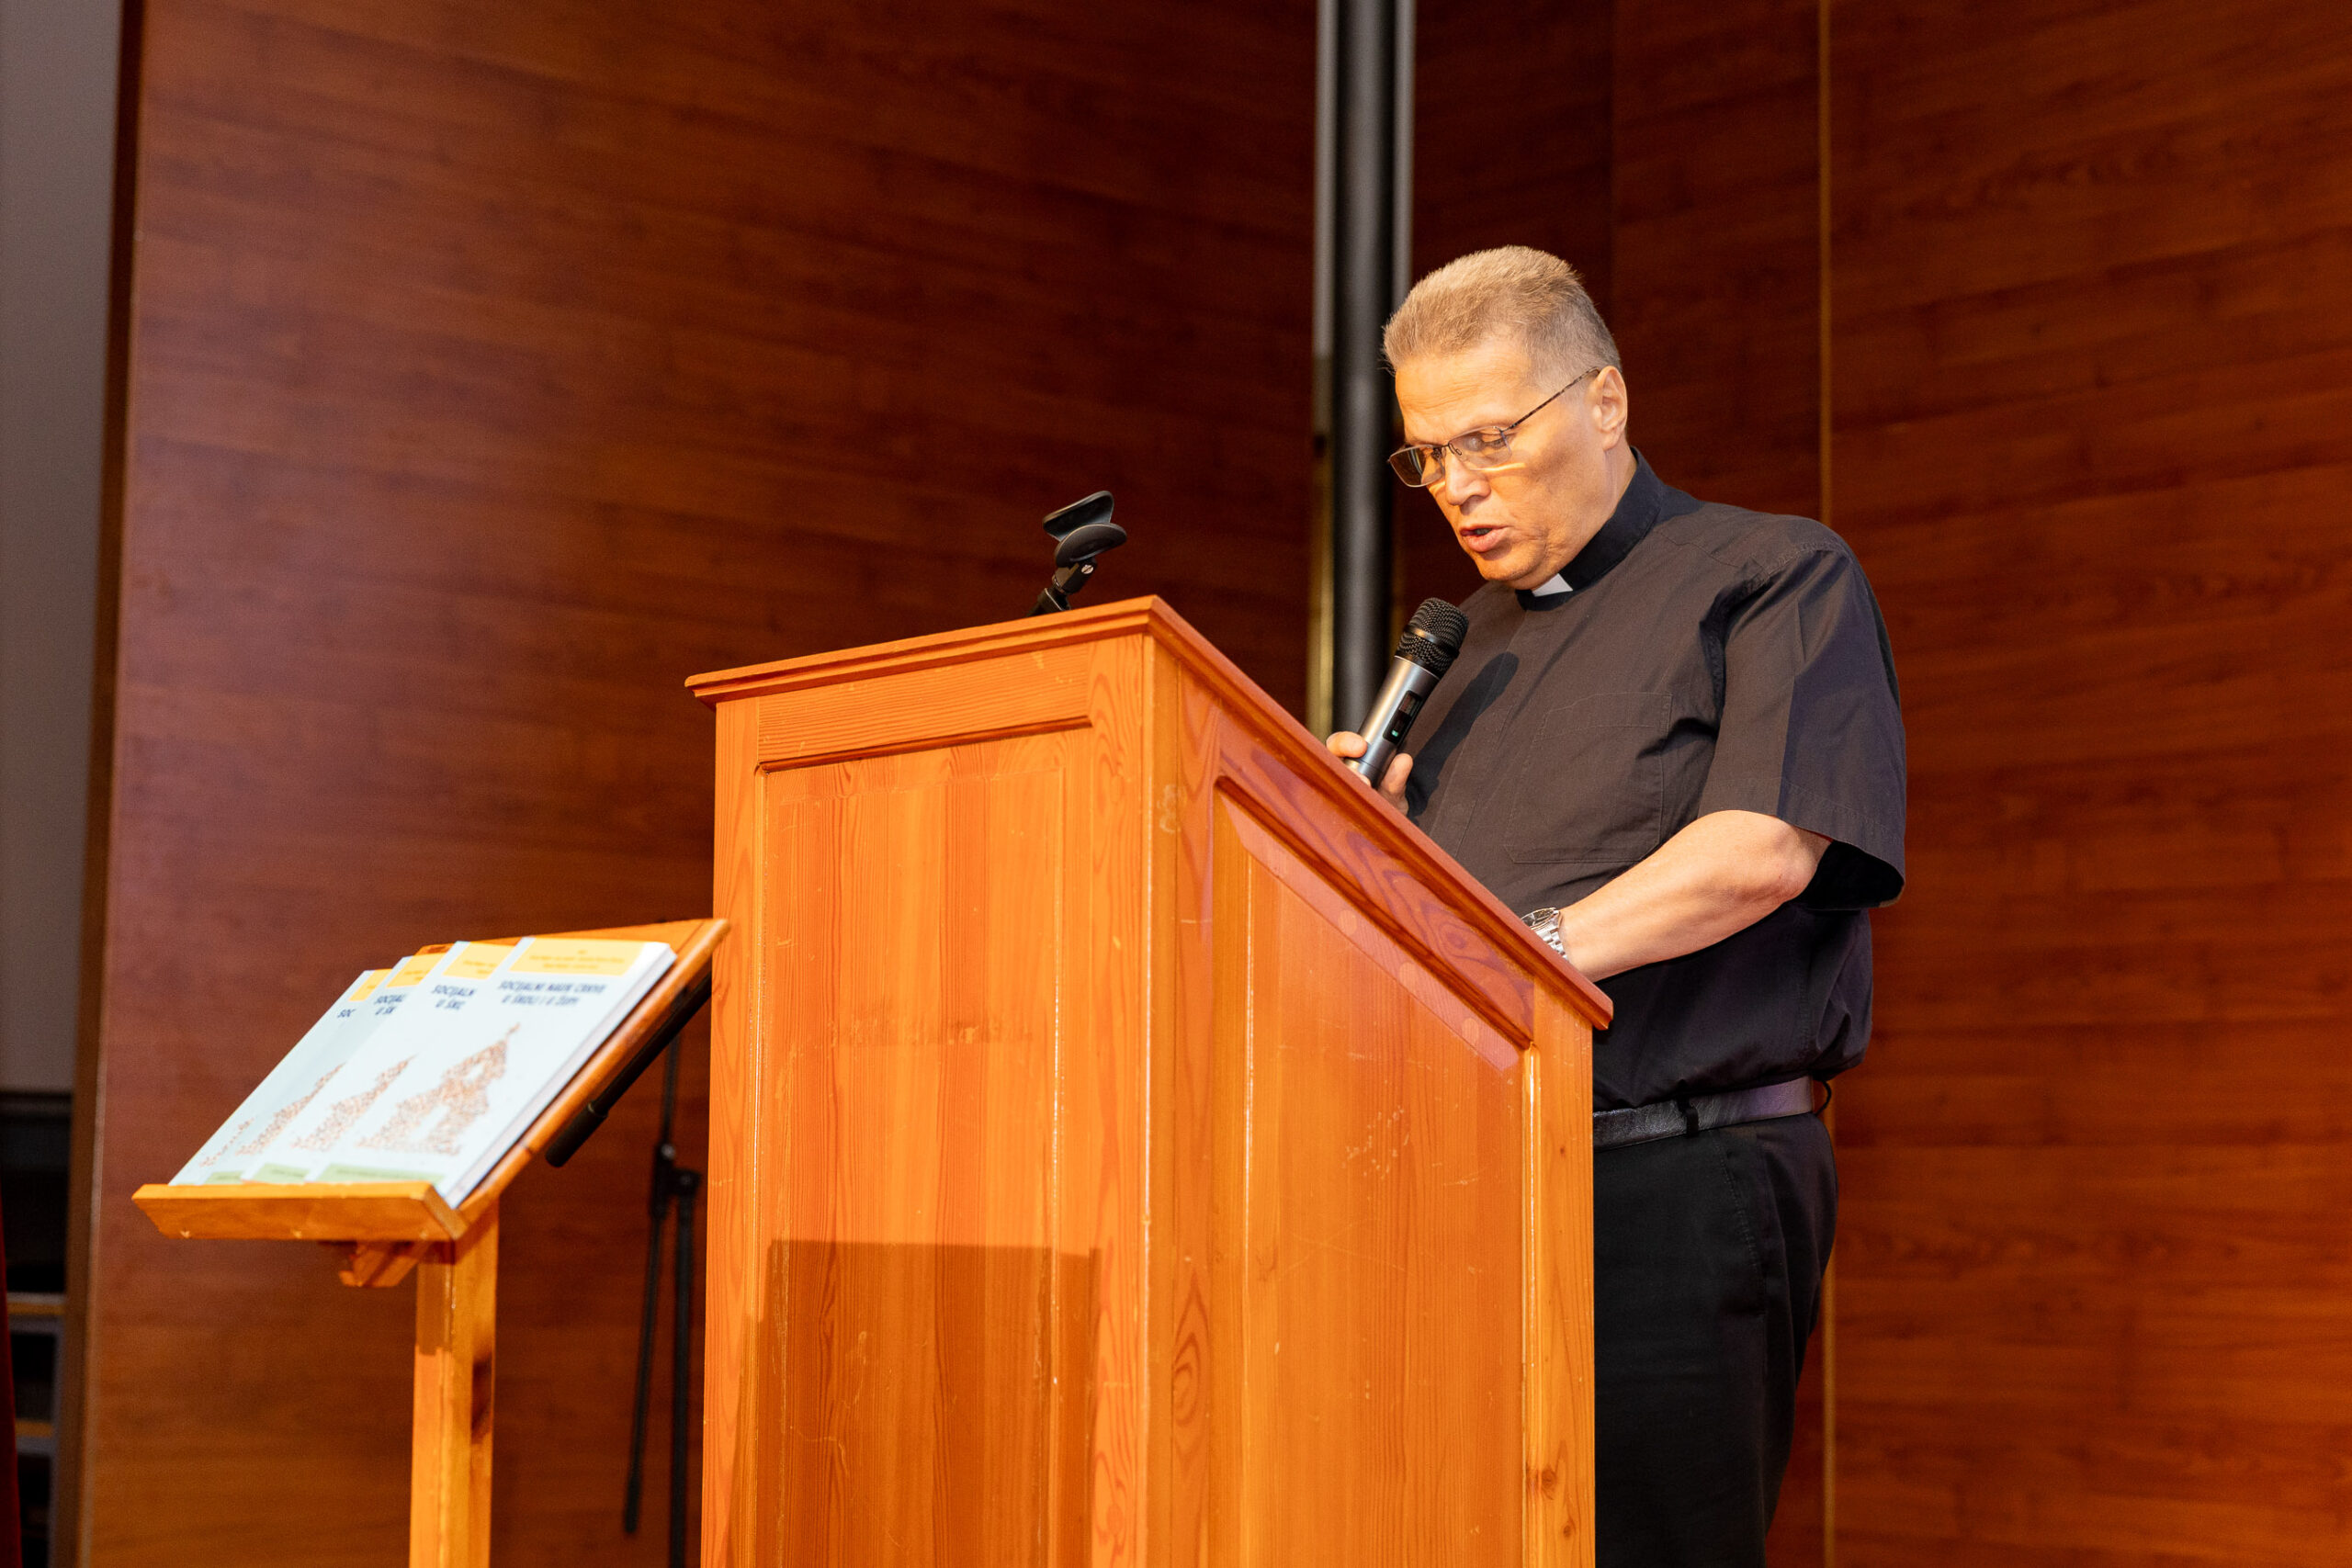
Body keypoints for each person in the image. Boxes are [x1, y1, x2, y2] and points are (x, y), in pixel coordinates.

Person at [1328, 245, 1905, 1567]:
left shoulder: (1772, 574)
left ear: (1605, 400)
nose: (1459, 487)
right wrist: (1358, 846)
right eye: (1428, 456)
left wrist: (1516, 958)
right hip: (1468, 1184)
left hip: (1677, 1189)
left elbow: (1762, 851)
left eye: (1490, 439)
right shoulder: (1459, 653)